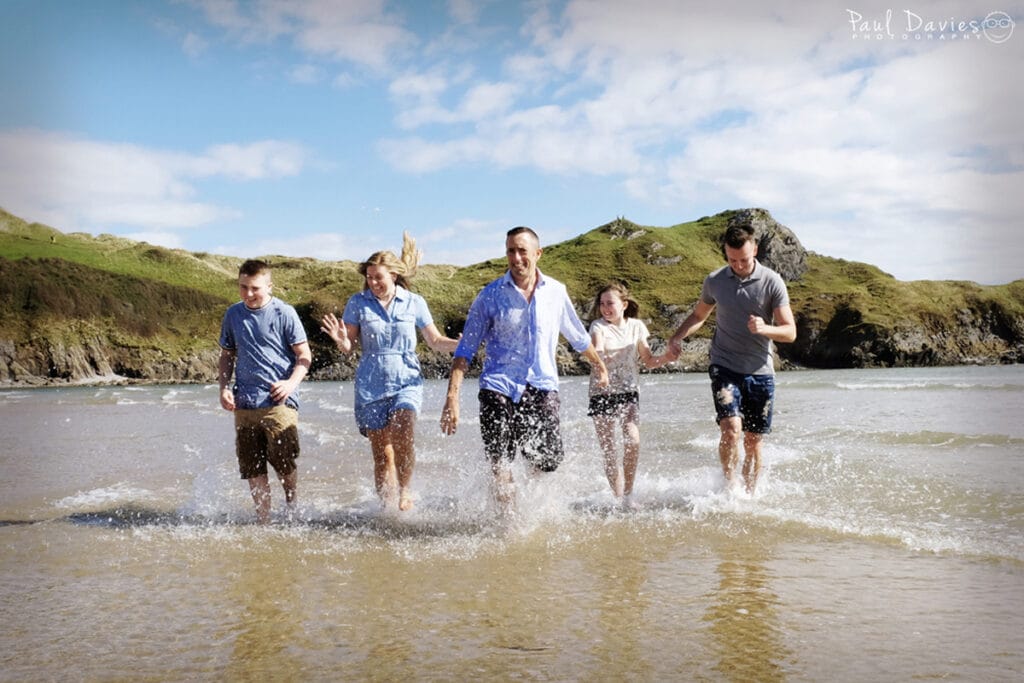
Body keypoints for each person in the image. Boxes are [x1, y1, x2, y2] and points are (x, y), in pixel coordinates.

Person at [440, 226, 609, 512]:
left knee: (547, 462)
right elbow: (465, 349)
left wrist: (600, 366)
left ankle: (531, 514)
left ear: (538, 254)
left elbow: (578, 336)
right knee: (500, 463)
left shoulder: (556, 292)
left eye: (522, 251)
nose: (516, 258)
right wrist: (452, 397)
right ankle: (509, 523)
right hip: (498, 387)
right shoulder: (490, 295)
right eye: (510, 251)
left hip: (542, 387)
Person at [320, 233, 458, 512]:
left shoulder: (414, 302)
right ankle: (386, 509)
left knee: (404, 432)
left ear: (394, 275)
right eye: (369, 278)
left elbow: (434, 341)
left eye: (378, 277)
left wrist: (462, 344)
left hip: (406, 378)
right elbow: (349, 346)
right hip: (371, 382)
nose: (372, 283)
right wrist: (339, 338)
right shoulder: (358, 303)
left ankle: (406, 490)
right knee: (383, 453)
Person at [667, 222, 796, 494]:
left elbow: (790, 332)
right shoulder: (715, 280)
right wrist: (677, 336)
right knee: (730, 429)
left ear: (756, 250)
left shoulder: (772, 281)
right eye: (732, 259)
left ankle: (748, 495)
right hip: (724, 365)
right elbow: (698, 316)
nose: (738, 265)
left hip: (760, 371)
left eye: (744, 260)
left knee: (753, 441)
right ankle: (729, 488)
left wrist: (765, 328)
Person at [219, 259, 312, 524]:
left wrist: (290, 384)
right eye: (243, 287)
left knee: (283, 459)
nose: (248, 294)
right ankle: (264, 520)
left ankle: (292, 505)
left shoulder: (285, 313)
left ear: (269, 286)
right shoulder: (233, 315)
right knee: (251, 465)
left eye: (255, 288)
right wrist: (224, 388)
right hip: (244, 403)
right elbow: (227, 355)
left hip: (279, 401)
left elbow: (304, 355)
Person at [587, 282, 675, 508]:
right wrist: (602, 371)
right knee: (609, 449)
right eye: (602, 304)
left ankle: (628, 494)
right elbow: (596, 351)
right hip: (601, 391)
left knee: (632, 439)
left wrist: (667, 357)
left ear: (624, 305)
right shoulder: (598, 326)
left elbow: (647, 360)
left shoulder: (636, 327)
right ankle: (618, 499)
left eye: (610, 303)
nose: (605, 308)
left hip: (628, 391)